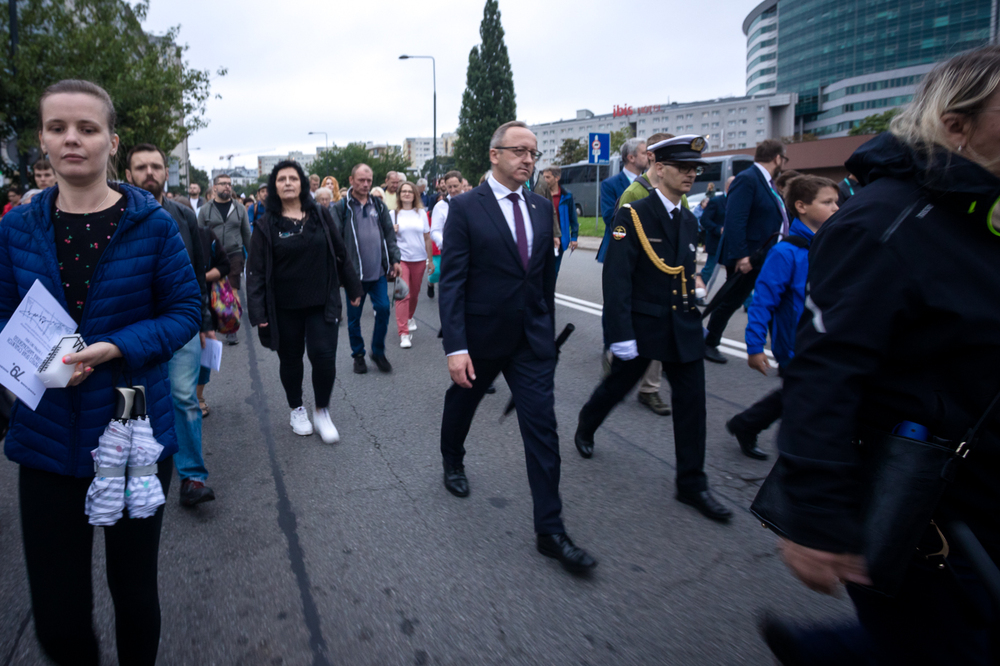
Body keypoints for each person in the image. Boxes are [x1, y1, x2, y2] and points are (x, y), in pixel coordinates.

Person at [759, 45, 1000, 665]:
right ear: (957, 125)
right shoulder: (885, 224)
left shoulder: (984, 216)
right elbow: (823, 372)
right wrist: (814, 513)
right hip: (931, 513)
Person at [0, 79, 200, 666]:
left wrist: (116, 347)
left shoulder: (152, 224)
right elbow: (6, 318)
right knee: (58, 618)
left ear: (111, 142)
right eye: (58, 127)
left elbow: (185, 311)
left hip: (132, 437)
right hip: (46, 442)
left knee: (133, 593)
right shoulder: (15, 228)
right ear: (41, 138)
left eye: (87, 129)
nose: (72, 139)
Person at [439, 120, 597, 573]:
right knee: (463, 403)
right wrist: (456, 346)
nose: (529, 159)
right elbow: (452, 282)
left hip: (530, 342)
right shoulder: (465, 207)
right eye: (520, 151)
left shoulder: (538, 205)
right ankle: (453, 458)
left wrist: (545, 328)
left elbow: (543, 276)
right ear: (495, 154)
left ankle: (550, 530)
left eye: (534, 153)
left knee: (542, 430)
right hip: (482, 338)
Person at [575, 136, 731, 524]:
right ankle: (586, 424)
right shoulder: (633, 214)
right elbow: (617, 279)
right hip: (643, 325)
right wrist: (619, 334)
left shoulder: (688, 218)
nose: (691, 175)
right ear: (659, 168)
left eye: (695, 169)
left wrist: (695, 286)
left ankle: (692, 483)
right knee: (617, 385)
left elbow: (683, 268)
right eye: (682, 168)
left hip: (680, 322)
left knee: (693, 403)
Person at [125, 143, 217, 506]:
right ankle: (138, 474)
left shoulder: (183, 215)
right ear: (129, 173)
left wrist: (205, 320)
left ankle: (192, 476)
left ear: (166, 173)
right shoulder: (117, 216)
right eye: (141, 167)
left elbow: (197, 272)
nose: (149, 173)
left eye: (156, 166)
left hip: (181, 323)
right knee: (133, 402)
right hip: (132, 328)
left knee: (183, 397)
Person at [247, 161, 363, 443]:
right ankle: (296, 408)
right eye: (281, 179)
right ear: (274, 186)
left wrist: (354, 287)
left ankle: (322, 410)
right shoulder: (265, 225)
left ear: (301, 183)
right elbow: (256, 272)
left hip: (321, 301)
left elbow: (340, 251)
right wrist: (258, 310)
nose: (287, 182)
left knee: (323, 357)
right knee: (291, 359)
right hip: (284, 307)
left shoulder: (320, 215)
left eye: (293, 178)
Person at [725, 175, 838, 461]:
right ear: (801, 206)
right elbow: (763, 302)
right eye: (827, 202)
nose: (836, 207)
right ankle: (795, 456)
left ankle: (746, 424)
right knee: (805, 398)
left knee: (797, 394)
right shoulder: (786, 252)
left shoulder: (830, 244)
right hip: (794, 344)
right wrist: (753, 347)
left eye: (836, 201)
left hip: (822, 338)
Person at [703, 139, 789, 364]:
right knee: (731, 300)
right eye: (784, 158)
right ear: (777, 158)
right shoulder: (748, 179)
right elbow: (735, 219)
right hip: (749, 256)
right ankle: (709, 342)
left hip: (763, 255)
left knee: (772, 299)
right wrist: (742, 256)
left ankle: (784, 351)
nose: (784, 163)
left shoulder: (767, 182)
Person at [610, 132, 676, 417]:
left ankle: (649, 388)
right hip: (641, 280)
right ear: (654, 159)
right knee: (633, 341)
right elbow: (619, 238)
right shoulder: (634, 192)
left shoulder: (676, 192)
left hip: (667, 282)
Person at [331, 163, 401, 374]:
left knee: (383, 309)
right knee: (354, 319)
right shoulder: (341, 208)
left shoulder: (378, 206)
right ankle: (358, 355)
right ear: (351, 181)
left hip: (378, 272)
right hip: (354, 277)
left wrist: (395, 259)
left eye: (369, 180)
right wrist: (340, 273)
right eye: (361, 180)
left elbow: (389, 234)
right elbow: (334, 241)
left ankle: (377, 351)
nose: (365, 184)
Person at [197, 173, 251, 344]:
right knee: (213, 291)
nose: (227, 186)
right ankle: (211, 322)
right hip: (213, 257)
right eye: (223, 184)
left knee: (232, 291)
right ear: (215, 187)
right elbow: (198, 235)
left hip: (234, 253)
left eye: (229, 183)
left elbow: (246, 234)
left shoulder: (239, 208)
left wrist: (253, 258)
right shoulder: (206, 210)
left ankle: (232, 327)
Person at [391, 181, 433, 348]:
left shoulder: (421, 213)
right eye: (403, 191)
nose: (407, 194)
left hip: (419, 258)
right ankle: (404, 333)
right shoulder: (393, 214)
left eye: (410, 191)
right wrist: (391, 231)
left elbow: (427, 238)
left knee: (414, 294)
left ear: (415, 194)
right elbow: (387, 239)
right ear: (399, 194)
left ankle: (409, 316)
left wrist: (430, 260)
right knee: (403, 294)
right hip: (401, 259)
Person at [196, 225, 229, 418]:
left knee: (204, 349)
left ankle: (199, 397)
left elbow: (224, 265)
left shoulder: (205, 235)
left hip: (206, 301)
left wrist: (202, 278)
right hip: (173, 305)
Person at [597, 137, 647, 263]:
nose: (649, 156)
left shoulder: (652, 183)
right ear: (631, 158)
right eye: (644, 153)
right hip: (619, 249)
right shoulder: (610, 184)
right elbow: (609, 217)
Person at [541, 166, 578, 277]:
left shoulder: (566, 196)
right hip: (543, 238)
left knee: (554, 271)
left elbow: (573, 218)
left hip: (560, 239)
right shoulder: (540, 195)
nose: (545, 180)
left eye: (548, 177)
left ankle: (550, 293)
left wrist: (574, 238)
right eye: (543, 177)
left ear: (557, 178)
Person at [700, 176, 733, 285]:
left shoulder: (738, 201)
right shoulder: (716, 201)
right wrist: (719, 229)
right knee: (709, 270)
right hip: (716, 243)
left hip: (731, 244)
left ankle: (744, 301)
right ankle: (697, 293)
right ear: (728, 186)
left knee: (735, 274)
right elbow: (704, 220)